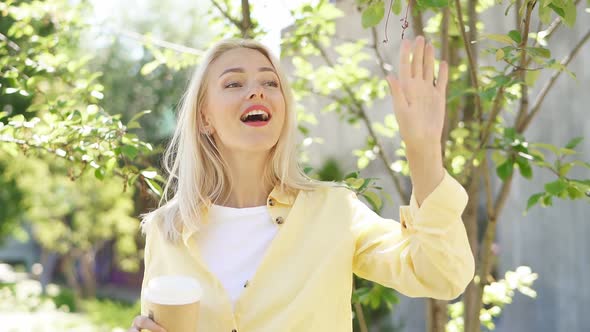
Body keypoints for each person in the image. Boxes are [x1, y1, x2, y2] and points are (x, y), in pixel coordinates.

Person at [129, 36, 475, 332]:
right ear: (204, 117)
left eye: (270, 83)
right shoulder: (167, 230)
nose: (257, 92)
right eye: (234, 83)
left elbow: (441, 274)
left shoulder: (334, 211)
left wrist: (423, 150)